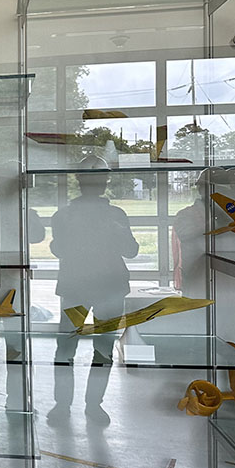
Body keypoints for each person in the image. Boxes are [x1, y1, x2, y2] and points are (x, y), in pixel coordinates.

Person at [47, 156, 139, 426]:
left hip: (89, 288)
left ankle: (72, 406)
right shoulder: (82, 215)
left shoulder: (73, 215)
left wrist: (115, 232)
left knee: (73, 348)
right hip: (93, 288)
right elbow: (131, 251)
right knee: (90, 349)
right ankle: (80, 405)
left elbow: (130, 250)